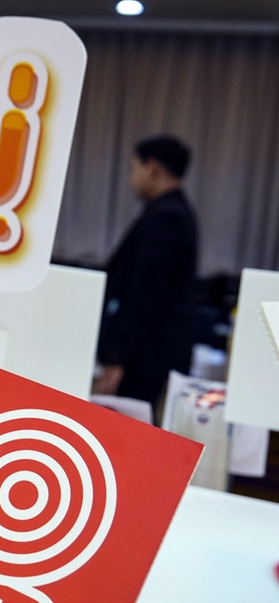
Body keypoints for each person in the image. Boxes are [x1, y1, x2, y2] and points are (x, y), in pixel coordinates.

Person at [93, 134, 198, 417]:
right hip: (146, 352)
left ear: (152, 168)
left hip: (145, 356)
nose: (131, 179)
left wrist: (117, 356)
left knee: (124, 428)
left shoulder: (167, 217)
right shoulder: (168, 212)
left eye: (134, 168)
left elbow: (144, 293)